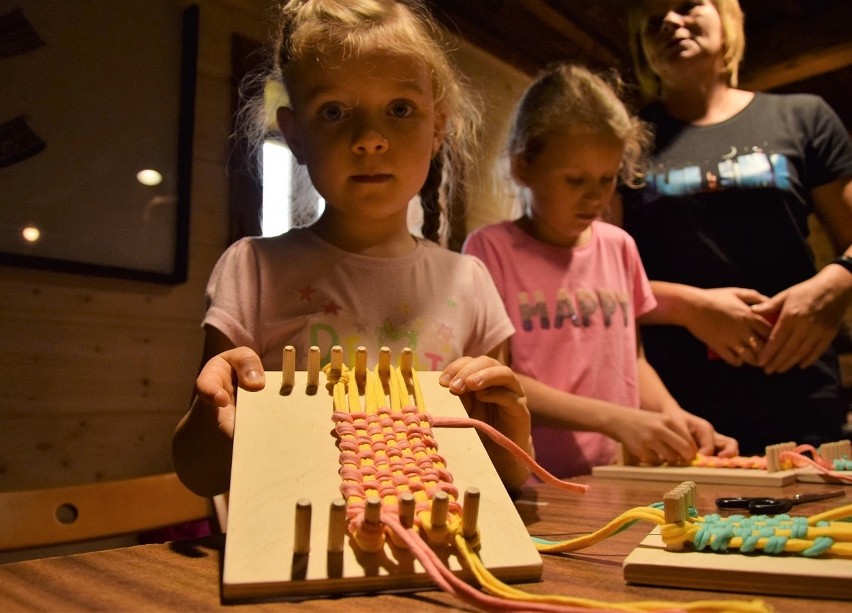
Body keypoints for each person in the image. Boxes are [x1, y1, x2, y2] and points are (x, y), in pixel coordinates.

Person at [173, 0, 533, 498]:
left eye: (400, 109)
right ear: (295, 134)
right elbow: (200, 475)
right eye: (334, 111)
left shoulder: (470, 282)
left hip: (434, 538)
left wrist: (514, 430)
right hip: (293, 548)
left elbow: (502, 476)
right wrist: (212, 412)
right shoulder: (252, 269)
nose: (369, 139)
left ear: (438, 128)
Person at [463, 62, 738, 479]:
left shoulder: (619, 246)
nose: (595, 198)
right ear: (523, 168)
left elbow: (633, 359)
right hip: (532, 477)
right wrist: (615, 419)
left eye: (607, 179)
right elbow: (499, 381)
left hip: (613, 474)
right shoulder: (490, 250)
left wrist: (671, 415)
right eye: (574, 180)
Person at [617, 0, 852, 454]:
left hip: (799, 382)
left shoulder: (805, 117)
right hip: (677, 399)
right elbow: (600, 278)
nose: (670, 21)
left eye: (688, 5)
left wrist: (837, 283)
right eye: (652, 20)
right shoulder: (625, 140)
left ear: (728, 17)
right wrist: (691, 307)